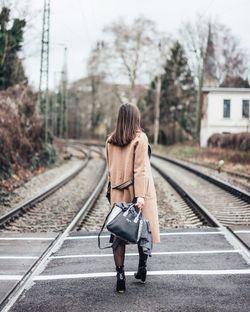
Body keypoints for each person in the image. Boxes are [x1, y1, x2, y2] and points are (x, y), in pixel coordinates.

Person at [105, 103, 160, 293]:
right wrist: (140, 197)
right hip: (138, 190)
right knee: (142, 229)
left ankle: (120, 276)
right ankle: (142, 269)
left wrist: (112, 191)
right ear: (136, 118)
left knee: (118, 234)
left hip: (118, 193)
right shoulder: (140, 138)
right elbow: (140, 170)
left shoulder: (110, 140)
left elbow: (110, 170)